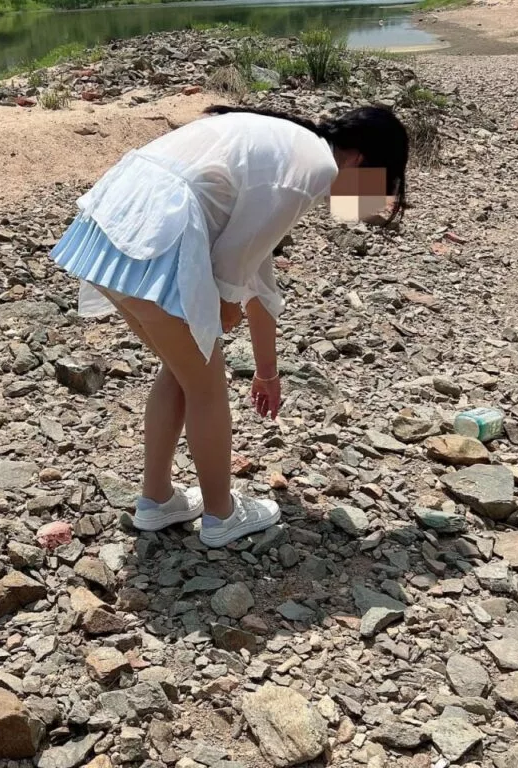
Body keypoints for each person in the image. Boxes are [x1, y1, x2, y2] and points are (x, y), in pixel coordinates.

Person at [50, 104, 409, 548]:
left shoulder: (290, 146)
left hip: (108, 230)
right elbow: (234, 266)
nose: (368, 205)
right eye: (378, 186)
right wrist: (225, 308)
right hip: (151, 239)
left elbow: (257, 276)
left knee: (182, 368)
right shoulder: (314, 168)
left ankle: (157, 500)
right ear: (359, 159)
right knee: (206, 385)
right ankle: (221, 515)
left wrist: (267, 371)